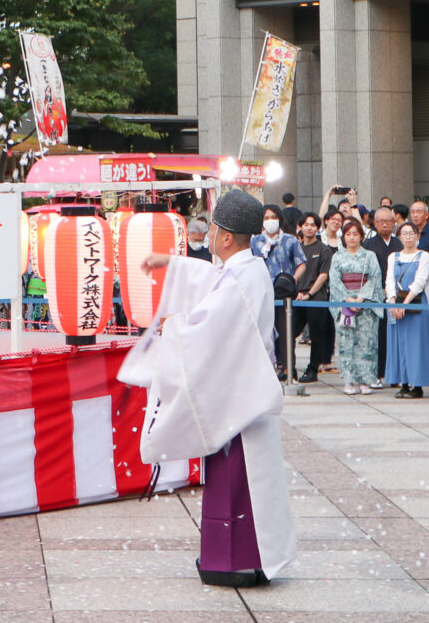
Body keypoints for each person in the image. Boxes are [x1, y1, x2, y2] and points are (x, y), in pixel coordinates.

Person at [118, 188, 296, 587]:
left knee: (240, 479)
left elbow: (210, 327)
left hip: (241, 397)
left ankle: (237, 560)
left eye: (213, 229)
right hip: (238, 388)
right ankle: (235, 557)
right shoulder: (244, 270)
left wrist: (174, 327)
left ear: (226, 237)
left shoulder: (244, 278)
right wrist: (170, 262)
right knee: (238, 478)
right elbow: (207, 276)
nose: (210, 235)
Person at [251, 204, 307, 379]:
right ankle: (266, 367)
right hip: (262, 292)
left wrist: (291, 280)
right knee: (264, 331)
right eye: (266, 218)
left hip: (284, 293)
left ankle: (288, 368)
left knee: (285, 331)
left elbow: (301, 263)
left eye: (273, 217)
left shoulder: (290, 240)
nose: (270, 221)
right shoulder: (255, 241)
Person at [329, 217, 383, 394]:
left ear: (361, 236)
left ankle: (366, 380)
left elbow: (375, 279)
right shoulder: (337, 257)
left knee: (367, 343)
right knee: (346, 342)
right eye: (348, 234)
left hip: (365, 305)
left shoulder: (369, 256)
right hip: (345, 304)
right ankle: (349, 381)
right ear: (343, 237)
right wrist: (347, 299)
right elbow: (335, 281)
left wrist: (361, 298)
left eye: (355, 234)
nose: (351, 238)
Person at [385, 222, 429, 398]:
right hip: (396, 306)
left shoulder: (424, 256)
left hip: (415, 303)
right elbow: (389, 280)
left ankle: (418, 385)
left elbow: (420, 282)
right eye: (404, 233)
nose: (408, 237)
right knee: (398, 344)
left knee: (417, 345)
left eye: (411, 233)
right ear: (399, 236)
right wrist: (393, 301)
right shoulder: (393, 256)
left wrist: (404, 304)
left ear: (417, 236)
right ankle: (403, 383)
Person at [362, 207, 402, 388]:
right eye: (380, 221)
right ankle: (376, 372)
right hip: (375, 295)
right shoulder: (368, 244)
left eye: (388, 221)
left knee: (395, 334)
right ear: (375, 223)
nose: (384, 224)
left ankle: (394, 373)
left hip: (395, 295)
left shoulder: (399, 243)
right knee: (376, 335)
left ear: (394, 223)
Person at [293, 213, 333, 383]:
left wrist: (309, 293)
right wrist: (296, 293)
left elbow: (323, 275)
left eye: (313, 225)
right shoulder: (296, 247)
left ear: (318, 228)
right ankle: (289, 368)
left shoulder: (323, 249)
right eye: (306, 224)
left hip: (317, 297)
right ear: (300, 226)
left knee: (316, 335)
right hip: (296, 297)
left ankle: (313, 369)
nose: (309, 228)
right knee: (290, 333)